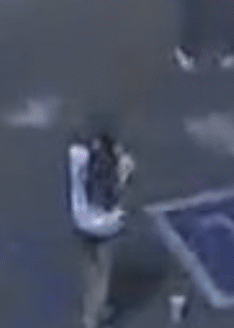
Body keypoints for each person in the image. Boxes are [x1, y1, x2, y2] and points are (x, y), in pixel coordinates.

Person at [69, 118, 134, 325]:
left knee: (89, 268)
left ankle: (89, 311)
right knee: (102, 273)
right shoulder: (106, 170)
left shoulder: (76, 155)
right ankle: (93, 317)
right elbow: (111, 197)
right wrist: (124, 176)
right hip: (105, 225)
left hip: (80, 218)